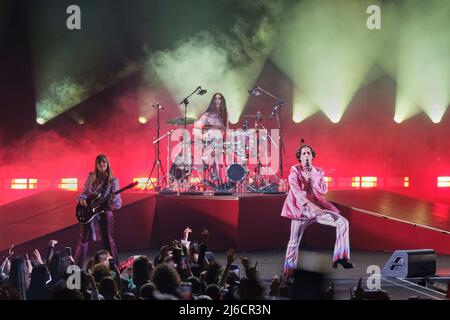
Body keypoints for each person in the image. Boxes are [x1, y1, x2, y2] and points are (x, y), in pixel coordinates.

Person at [281, 141, 353, 283]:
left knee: (343, 223)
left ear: (312, 157)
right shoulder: (295, 170)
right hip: (301, 211)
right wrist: (311, 205)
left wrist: (311, 178)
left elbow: (323, 191)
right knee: (293, 242)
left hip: (318, 210)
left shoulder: (319, 172)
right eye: (304, 153)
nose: (306, 155)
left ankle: (341, 257)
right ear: (300, 157)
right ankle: (289, 272)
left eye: (309, 153)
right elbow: (296, 192)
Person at [74, 154, 122, 269]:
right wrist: (82, 200)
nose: (102, 164)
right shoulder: (91, 177)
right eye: (99, 162)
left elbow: (117, 202)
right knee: (83, 239)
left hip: (104, 211)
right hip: (88, 212)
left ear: (107, 164)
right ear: (96, 165)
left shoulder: (113, 181)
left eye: (104, 162)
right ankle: (76, 268)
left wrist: (112, 198)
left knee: (108, 239)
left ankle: (114, 268)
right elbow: (84, 192)